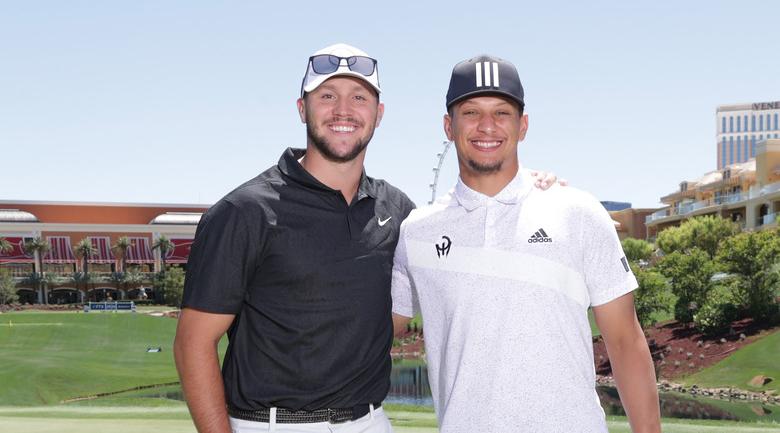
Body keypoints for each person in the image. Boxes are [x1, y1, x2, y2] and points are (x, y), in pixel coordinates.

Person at [173, 44, 559, 433]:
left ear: (378, 115)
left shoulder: (400, 211)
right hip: (273, 423)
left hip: (370, 421)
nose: (343, 110)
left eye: (359, 97)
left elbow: (470, 246)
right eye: (327, 96)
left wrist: (531, 189)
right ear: (302, 109)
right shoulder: (244, 211)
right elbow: (193, 344)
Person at [391, 55, 661, 432]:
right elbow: (370, 332)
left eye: (502, 112)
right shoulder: (416, 232)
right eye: (471, 112)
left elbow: (625, 342)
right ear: (449, 126)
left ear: (524, 125)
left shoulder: (578, 212)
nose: (487, 126)